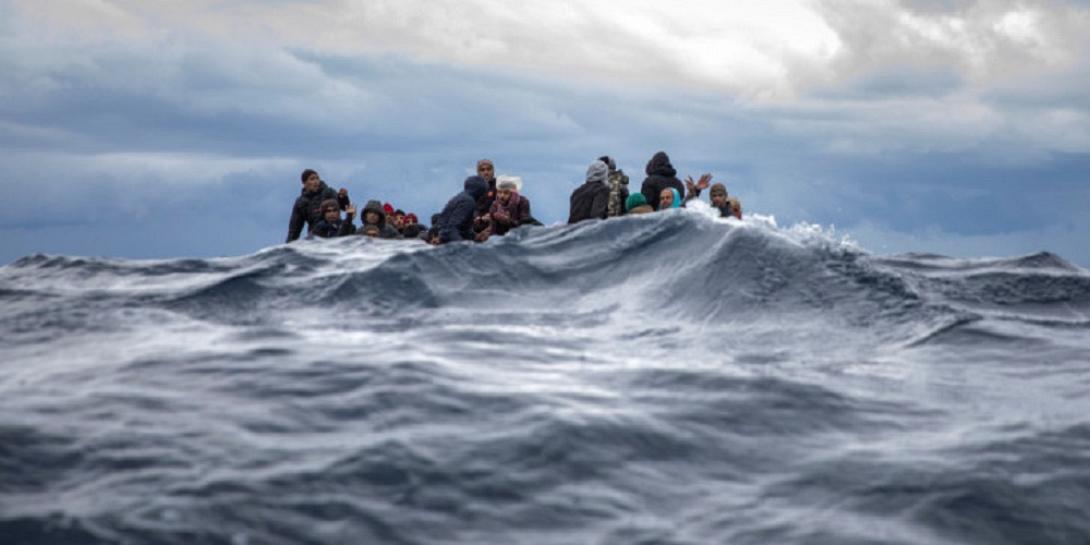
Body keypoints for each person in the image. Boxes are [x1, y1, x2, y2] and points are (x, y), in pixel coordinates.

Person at [286, 169, 349, 242]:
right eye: (312, 179)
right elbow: (294, 230)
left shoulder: (329, 192)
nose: (316, 181)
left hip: (336, 232)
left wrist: (343, 198)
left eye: (317, 178)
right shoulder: (301, 202)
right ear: (304, 183)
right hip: (316, 237)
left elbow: (345, 207)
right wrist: (288, 248)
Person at [437, 176, 489, 243]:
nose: (484, 196)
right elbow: (451, 228)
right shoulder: (468, 202)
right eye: (484, 192)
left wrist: (475, 236)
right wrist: (462, 247)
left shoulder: (462, 197)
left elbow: (462, 228)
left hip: (444, 236)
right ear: (479, 191)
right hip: (448, 242)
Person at [568, 160, 611, 224]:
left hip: (573, 230)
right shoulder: (602, 190)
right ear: (605, 174)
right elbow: (596, 217)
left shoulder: (576, 192)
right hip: (589, 230)